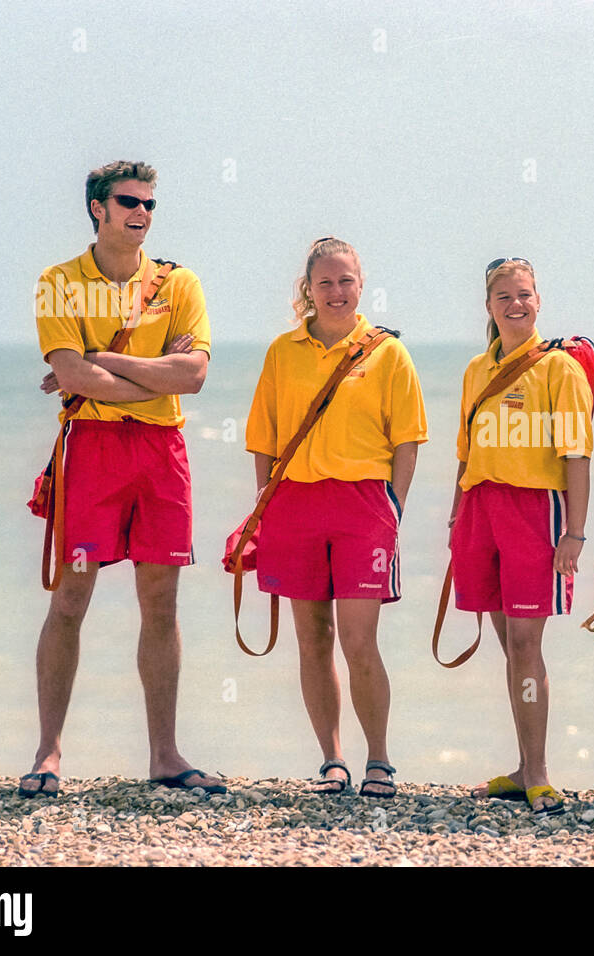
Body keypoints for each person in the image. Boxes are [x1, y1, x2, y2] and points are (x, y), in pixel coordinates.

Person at [24, 160, 220, 797]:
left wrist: (101, 360)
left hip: (162, 451)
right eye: (129, 202)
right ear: (97, 209)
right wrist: (135, 374)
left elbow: (191, 377)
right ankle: (48, 752)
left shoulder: (179, 281)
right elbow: (72, 378)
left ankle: (165, 755)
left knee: (161, 605)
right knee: (70, 601)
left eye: (150, 204)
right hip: (92, 450)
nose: (142, 213)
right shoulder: (58, 282)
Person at [244, 237, 427, 798]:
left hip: (364, 506)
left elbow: (408, 441)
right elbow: (265, 440)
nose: (336, 292)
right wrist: (265, 510)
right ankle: (332, 759)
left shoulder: (387, 352)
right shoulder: (283, 351)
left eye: (345, 281)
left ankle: (379, 760)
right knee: (312, 637)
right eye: (324, 282)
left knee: (359, 638)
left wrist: (393, 508)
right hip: (295, 502)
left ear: (360, 283)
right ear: (308, 289)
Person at [453, 258, 592, 816]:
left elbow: (577, 455)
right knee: (509, 644)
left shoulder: (561, 369)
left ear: (540, 300)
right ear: (488, 306)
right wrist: (456, 515)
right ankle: (521, 765)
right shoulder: (474, 370)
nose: (516, 304)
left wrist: (576, 533)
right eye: (504, 296)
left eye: (525, 295)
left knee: (528, 645)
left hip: (538, 512)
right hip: (480, 508)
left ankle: (538, 773)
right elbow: (464, 453)